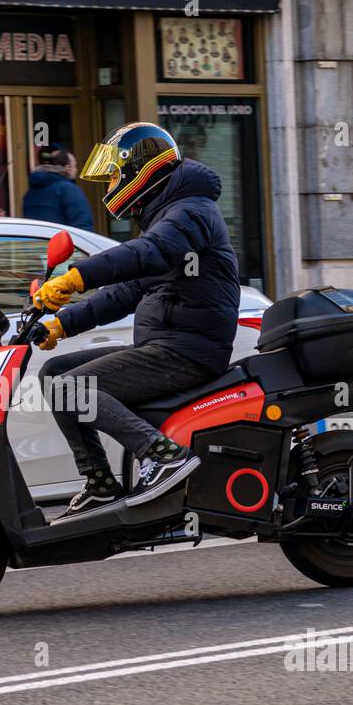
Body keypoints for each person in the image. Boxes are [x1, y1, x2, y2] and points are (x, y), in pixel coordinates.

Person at [33, 122, 241, 517]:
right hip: (163, 346)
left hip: (188, 351)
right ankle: (99, 481)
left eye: (114, 174)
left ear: (140, 168)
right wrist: (63, 324)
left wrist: (79, 275)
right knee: (54, 373)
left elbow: (150, 252)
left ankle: (163, 456)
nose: (110, 183)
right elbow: (129, 290)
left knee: (73, 387)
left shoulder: (192, 212)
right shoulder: (168, 215)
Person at [22, 144, 93, 230]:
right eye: (75, 166)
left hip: (37, 242)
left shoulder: (30, 193)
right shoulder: (70, 190)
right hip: (61, 242)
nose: (76, 170)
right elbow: (83, 227)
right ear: (68, 168)